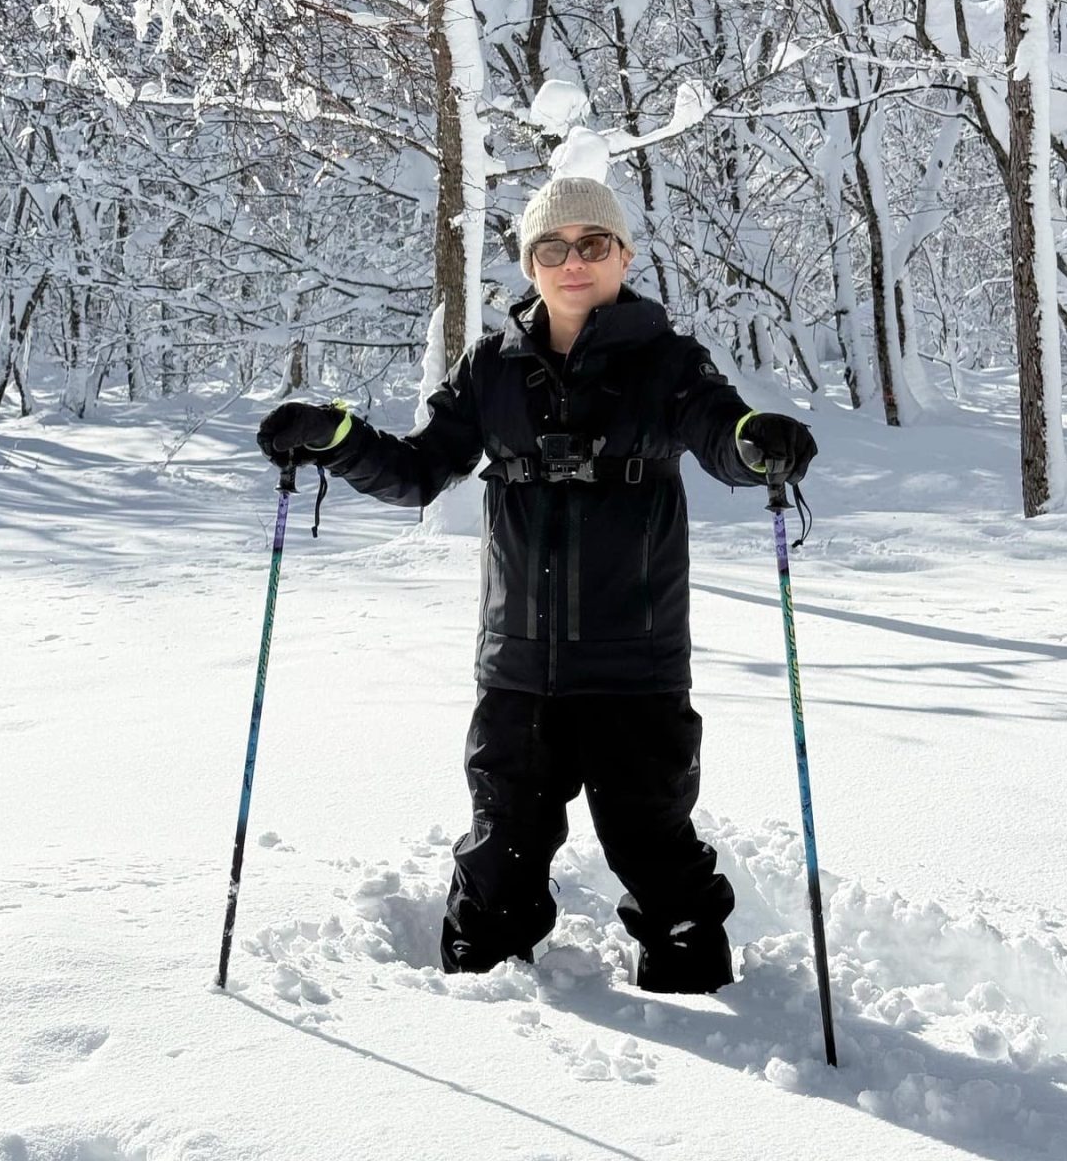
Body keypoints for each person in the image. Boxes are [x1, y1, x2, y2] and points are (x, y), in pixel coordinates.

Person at [257, 176, 816, 992]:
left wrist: (755, 440)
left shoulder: (668, 362)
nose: (573, 261)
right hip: (517, 664)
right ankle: (480, 997)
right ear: (530, 264)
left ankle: (700, 988)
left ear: (623, 254)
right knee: (501, 851)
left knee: (650, 841)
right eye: (552, 248)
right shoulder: (493, 368)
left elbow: (717, 433)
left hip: (636, 662)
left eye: (594, 244)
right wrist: (337, 440)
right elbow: (418, 472)